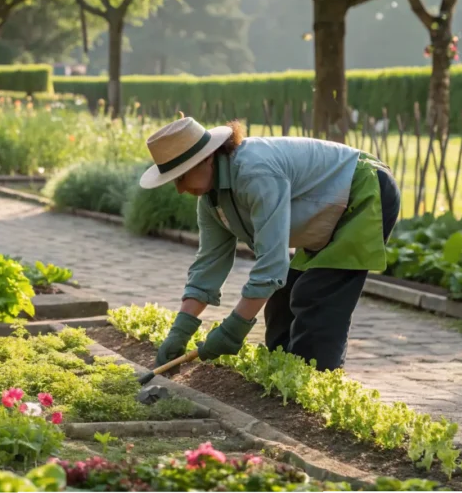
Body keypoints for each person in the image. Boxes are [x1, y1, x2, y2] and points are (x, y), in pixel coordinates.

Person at [141, 116, 401, 371]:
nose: (179, 189)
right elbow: (208, 266)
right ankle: (285, 377)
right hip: (328, 211)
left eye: (181, 177)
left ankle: (313, 383)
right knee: (281, 299)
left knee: (316, 298)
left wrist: (234, 328)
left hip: (365, 189)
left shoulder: (254, 172)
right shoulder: (211, 200)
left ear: (207, 158)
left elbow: (272, 265)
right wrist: (180, 331)